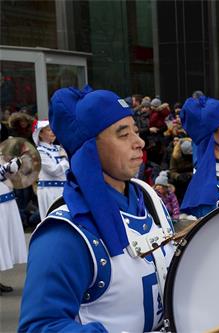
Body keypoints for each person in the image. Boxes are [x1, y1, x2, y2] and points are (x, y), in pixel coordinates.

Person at [19, 87, 175, 332]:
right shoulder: (64, 235)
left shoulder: (148, 197)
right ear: (89, 148)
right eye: (123, 135)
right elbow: (39, 327)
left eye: (136, 130)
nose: (140, 142)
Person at [32, 120, 69, 219]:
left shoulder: (58, 148)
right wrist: (65, 159)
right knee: (53, 219)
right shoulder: (39, 152)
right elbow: (54, 171)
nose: (53, 132)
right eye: (49, 130)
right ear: (40, 134)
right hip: (49, 191)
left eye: (53, 129)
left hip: (64, 189)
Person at [0, 157, 27, 295]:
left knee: (3, 242)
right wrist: (6, 167)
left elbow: (9, 178)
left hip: (6, 201)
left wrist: (13, 167)